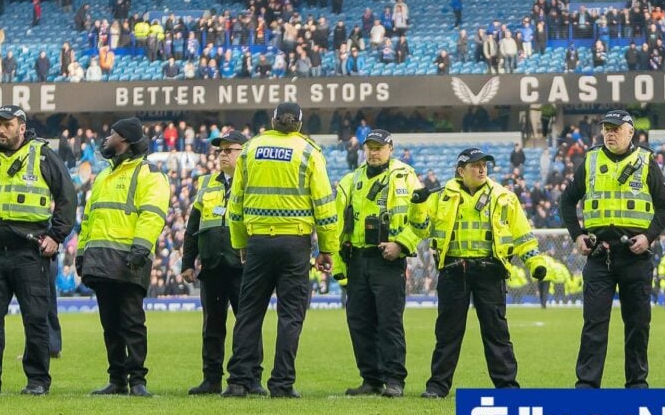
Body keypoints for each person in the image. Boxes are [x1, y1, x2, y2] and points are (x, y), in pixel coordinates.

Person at [0, 105, 77, 396]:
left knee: (35, 318)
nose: (1, 129)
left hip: (30, 251)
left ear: (22, 126)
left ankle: (37, 380)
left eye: (7, 124)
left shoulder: (42, 154)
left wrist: (56, 236)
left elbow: (67, 196)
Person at [223, 102, 338, 398]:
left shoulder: (251, 149)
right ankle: (282, 384)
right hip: (294, 243)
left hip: (258, 242)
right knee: (290, 315)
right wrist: (327, 248)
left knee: (248, 313)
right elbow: (325, 206)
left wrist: (240, 244)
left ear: (272, 120)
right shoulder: (309, 152)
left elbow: (235, 204)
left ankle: (238, 381)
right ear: (299, 124)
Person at [559, 109, 665, 389]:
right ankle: (586, 385)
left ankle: (637, 384)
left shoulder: (646, 161)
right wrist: (577, 235)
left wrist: (648, 237)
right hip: (600, 257)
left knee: (637, 326)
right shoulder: (590, 160)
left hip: (636, 257)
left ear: (630, 132)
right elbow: (566, 201)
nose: (610, 133)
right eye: (606, 129)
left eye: (616, 129)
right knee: (594, 325)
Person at [420, 148, 547, 398]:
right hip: (453, 271)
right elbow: (421, 229)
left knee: (497, 333)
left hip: (491, 272)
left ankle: (507, 387)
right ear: (460, 170)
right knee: (447, 332)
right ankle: (437, 386)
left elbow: (523, 235)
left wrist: (535, 263)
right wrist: (417, 206)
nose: (481, 169)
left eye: (484, 165)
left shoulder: (504, 197)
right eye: (475, 165)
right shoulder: (440, 197)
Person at [330, 129, 430, 398]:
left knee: (389, 322)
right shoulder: (351, 180)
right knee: (359, 322)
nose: (374, 152)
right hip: (358, 259)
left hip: (389, 260)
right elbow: (339, 225)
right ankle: (371, 379)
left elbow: (423, 222)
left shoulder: (406, 176)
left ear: (390, 148)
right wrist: (340, 265)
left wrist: (401, 244)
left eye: (379, 147)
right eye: (370, 147)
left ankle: (395, 380)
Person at [78, 118, 169, 397]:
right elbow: (89, 218)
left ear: (126, 140)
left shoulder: (149, 173)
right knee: (110, 323)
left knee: (132, 320)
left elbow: (152, 213)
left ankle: (137, 380)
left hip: (130, 258)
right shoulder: (103, 176)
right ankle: (117, 378)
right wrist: (82, 252)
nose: (107, 139)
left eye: (112, 134)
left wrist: (140, 249)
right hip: (100, 259)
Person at [181, 130, 260, 395]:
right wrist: (187, 263)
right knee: (212, 327)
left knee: (248, 326)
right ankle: (211, 378)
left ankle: (252, 379)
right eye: (220, 151)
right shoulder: (206, 184)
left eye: (229, 150)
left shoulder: (254, 184)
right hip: (212, 266)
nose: (223, 155)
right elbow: (193, 228)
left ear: (243, 153)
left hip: (242, 267)